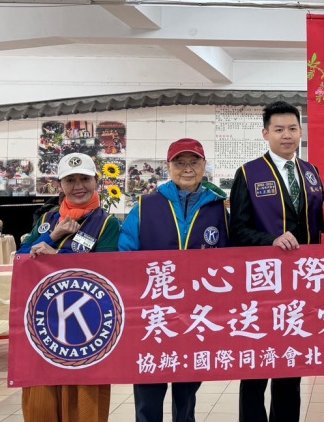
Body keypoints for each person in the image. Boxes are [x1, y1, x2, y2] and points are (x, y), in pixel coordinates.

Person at [119, 138, 230, 422]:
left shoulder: (219, 210)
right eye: (180, 163)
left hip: (196, 316)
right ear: (168, 167)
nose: (187, 168)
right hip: (152, 316)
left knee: (187, 392)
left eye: (194, 162)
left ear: (205, 166)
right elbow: (124, 256)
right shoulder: (145, 206)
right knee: (148, 389)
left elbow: (232, 261)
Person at [229, 101, 324, 422]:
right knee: (256, 368)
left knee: (290, 365)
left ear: (301, 132)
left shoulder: (311, 173)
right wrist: (269, 239)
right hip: (261, 286)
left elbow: (322, 223)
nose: (287, 135)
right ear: (265, 134)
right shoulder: (248, 173)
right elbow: (237, 230)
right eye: (279, 129)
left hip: (301, 286)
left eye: (293, 128)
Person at [17, 152, 122, 422]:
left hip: (88, 326)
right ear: (59, 185)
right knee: (41, 398)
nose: (78, 186)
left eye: (84, 179)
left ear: (96, 181)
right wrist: (53, 236)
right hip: (45, 322)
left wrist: (57, 258)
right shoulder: (47, 220)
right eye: (70, 180)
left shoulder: (107, 223)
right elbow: (22, 259)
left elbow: (107, 270)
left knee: (84, 399)